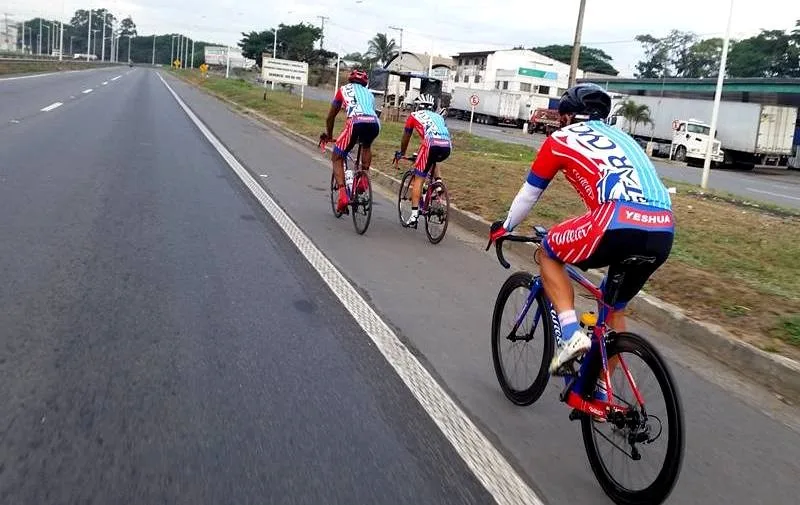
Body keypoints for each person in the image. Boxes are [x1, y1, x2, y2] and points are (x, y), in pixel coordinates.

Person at [486, 83, 674, 394]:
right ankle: (602, 391)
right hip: (663, 228)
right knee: (613, 307)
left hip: (616, 221)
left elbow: (529, 194)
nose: (559, 124)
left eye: (561, 117)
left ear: (570, 117)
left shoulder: (561, 138)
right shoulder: (626, 138)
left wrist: (505, 225)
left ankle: (571, 335)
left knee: (549, 251)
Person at [321, 69, 380, 214]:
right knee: (366, 145)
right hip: (374, 122)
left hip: (355, 121)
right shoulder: (370, 94)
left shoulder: (343, 90)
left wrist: (329, 135)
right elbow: (371, 112)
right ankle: (363, 180)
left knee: (337, 156)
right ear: (365, 83)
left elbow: (330, 117)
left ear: (350, 80)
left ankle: (342, 196)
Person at [394, 95, 452, 227]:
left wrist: (402, 152)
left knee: (419, 178)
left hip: (430, 144)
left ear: (417, 106)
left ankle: (414, 215)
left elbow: (406, 137)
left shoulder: (414, 115)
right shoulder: (438, 117)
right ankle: (438, 183)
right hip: (447, 146)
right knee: (433, 159)